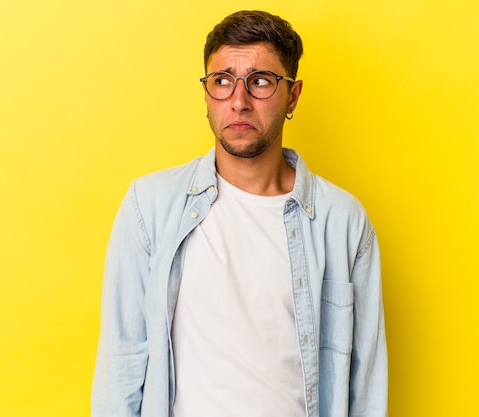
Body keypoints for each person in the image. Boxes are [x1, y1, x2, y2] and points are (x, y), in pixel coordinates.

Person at [91, 10, 387, 417]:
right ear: (207, 93)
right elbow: (121, 363)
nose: (239, 101)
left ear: (293, 96)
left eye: (261, 81)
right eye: (222, 81)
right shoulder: (151, 206)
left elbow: (366, 386)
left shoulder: (343, 222)